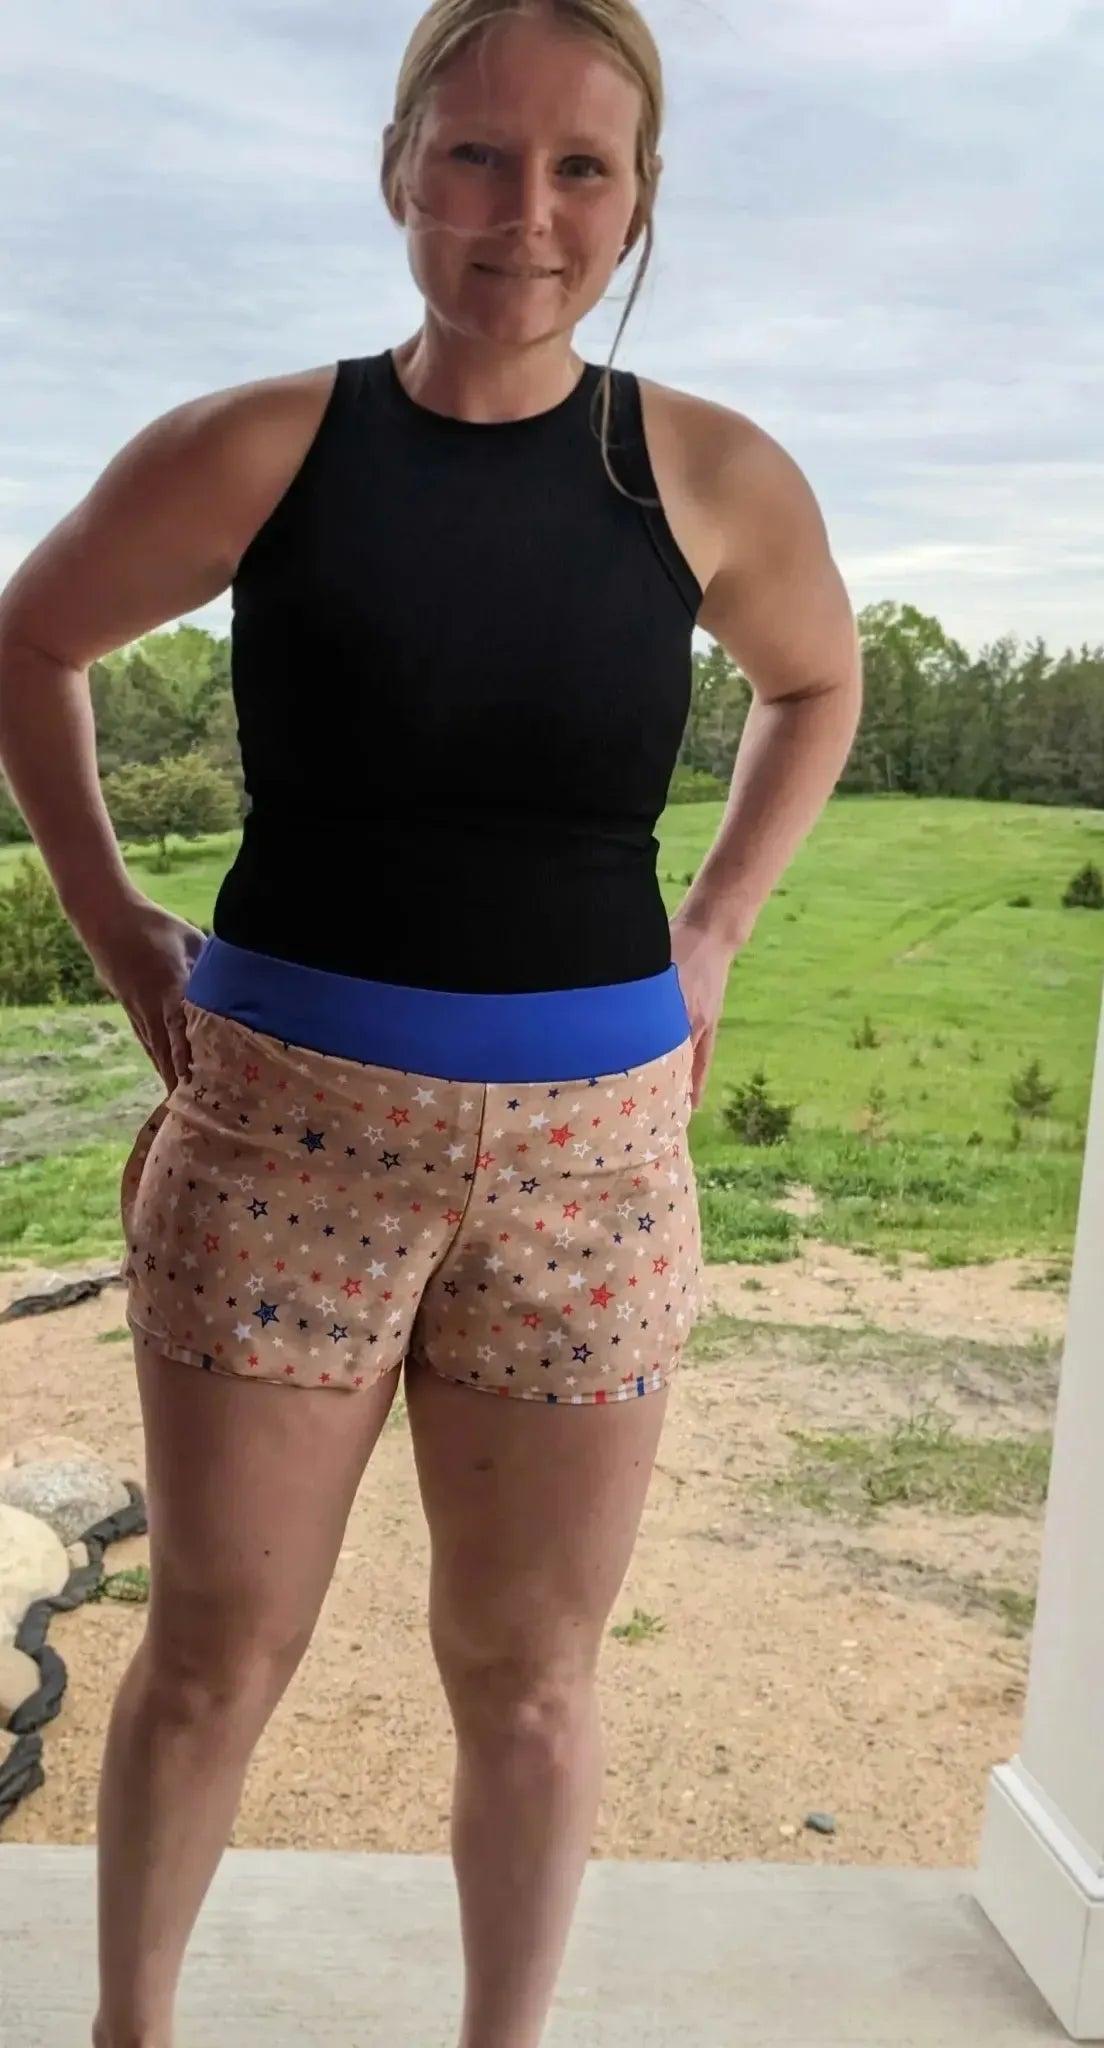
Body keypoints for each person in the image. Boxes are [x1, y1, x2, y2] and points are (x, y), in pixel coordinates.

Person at [0, 1, 862, 2042]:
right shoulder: (261, 449)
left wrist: (718, 928)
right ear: (400, 169)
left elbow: (816, 682)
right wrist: (111, 916)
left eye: (580, 167)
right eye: (475, 154)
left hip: (592, 1166)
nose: (523, 214)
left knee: (532, 1674)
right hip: (276, 1142)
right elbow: (30, 640)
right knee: (214, 1649)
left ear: (638, 199)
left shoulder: (711, 476)